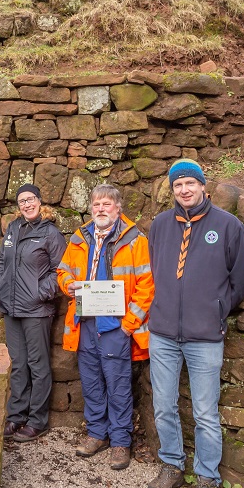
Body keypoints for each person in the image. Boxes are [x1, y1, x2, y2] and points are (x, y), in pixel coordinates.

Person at [145, 159, 244, 488]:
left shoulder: (227, 225)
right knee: (163, 405)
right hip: (162, 333)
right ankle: (172, 465)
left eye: (191, 183)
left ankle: (207, 480)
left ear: (203, 186)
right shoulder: (160, 225)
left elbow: (243, 275)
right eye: (178, 185)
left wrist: (218, 307)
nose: (185, 190)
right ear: (172, 190)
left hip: (205, 335)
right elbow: (156, 268)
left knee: (206, 412)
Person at [57, 184, 154, 471]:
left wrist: (128, 326)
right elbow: (62, 271)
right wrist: (68, 285)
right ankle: (97, 433)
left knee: (119, 385)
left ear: (118, 207)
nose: (101, 209)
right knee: (91, 382)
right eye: (97, 204)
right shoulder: (79, 237)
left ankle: (121, 440)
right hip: (85, 323)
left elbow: (147, 286)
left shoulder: (136, 240)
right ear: (91, 208)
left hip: (116, 327)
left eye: (107, 204)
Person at [0, 183, 66, 443]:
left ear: (40, 201)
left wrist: (40, 293)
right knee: (19, 365)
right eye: (22, 201)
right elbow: (3, 261)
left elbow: (61, 271)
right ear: (18, 205)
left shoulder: (50, 233)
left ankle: (37, 420)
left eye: (31, 199)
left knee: (38, 365)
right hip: (12, 309)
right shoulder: (13, 229)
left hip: (36, 310)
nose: (27, 204)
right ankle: (16, 415)